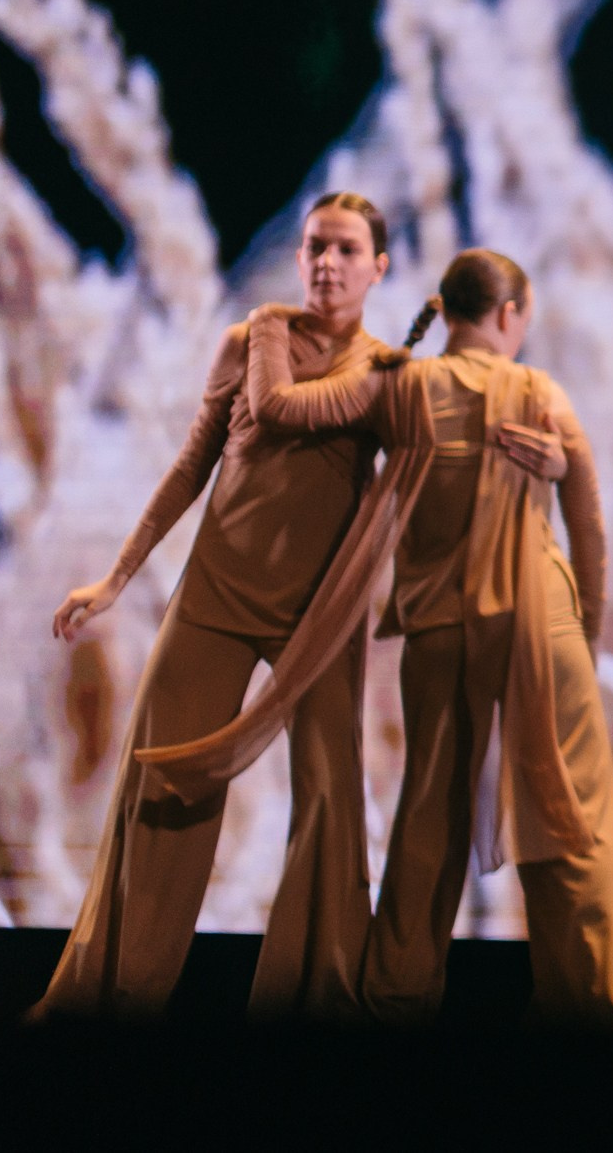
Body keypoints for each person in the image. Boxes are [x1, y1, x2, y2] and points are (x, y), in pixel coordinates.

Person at [149, 249, 613, 1029]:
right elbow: (587, 522)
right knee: (569, 811)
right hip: (540, 626)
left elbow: (286, 410)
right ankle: (598, 1003)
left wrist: (269, 330)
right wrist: (583, 631)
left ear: (445, 310)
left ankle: (395, 998)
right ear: (510, 315)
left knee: (430, 814)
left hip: (442, 627)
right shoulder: (541, 393)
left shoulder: (397, 384)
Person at [36, 194, 399, 1020]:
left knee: (332, 803)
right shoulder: (251, 341)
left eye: (346, 249)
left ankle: (316, 1004)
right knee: (161, 783)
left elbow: (432, 473)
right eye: (314, 246)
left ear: (378, 267)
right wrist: (118, 579)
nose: (325, 263)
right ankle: (117, 997)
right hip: (214, 597)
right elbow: (190, 465)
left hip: (317, 618)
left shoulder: (391, 376)